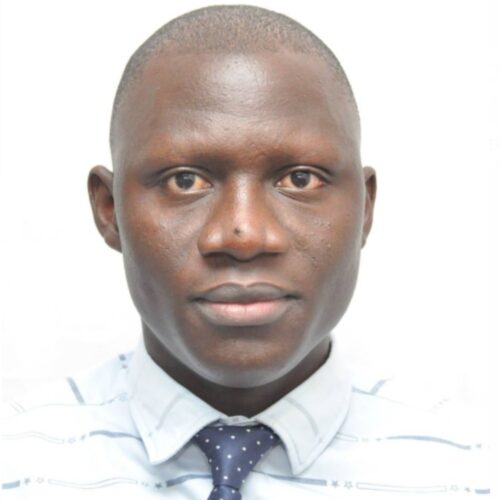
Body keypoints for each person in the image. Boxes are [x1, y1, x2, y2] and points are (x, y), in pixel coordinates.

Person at [1, 5, 489, 499]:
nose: (244, 236)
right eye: (184, 181)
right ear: (109, 210)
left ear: (364, 208)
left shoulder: (475, 474)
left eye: (300, 179)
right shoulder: (14, 461)